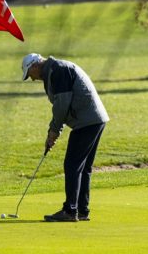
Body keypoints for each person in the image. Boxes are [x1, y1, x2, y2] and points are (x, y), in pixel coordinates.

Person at [21, 53, 109, 222]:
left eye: (30, 75)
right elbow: (62, 105)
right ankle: (82, 210)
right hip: (93, 119)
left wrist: (54, 130)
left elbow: (62, 105)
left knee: (72, 165)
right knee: (83, 167)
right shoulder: (54, 70)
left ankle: (70, 210)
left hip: (87, 121)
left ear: (34, 66)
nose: (32, 79)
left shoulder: (58, 70)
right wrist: (55, 130)